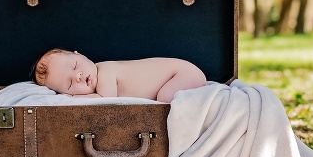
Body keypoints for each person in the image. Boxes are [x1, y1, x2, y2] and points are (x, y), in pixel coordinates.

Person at [30, 49, 207, 103]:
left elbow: (105, 101)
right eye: (69, 84)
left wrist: (70, 95)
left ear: (80, 54)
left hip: (182, 74)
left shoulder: (105, 71)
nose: (78, 76)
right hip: (182, 75)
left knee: (165, 99)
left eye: (76, 65)